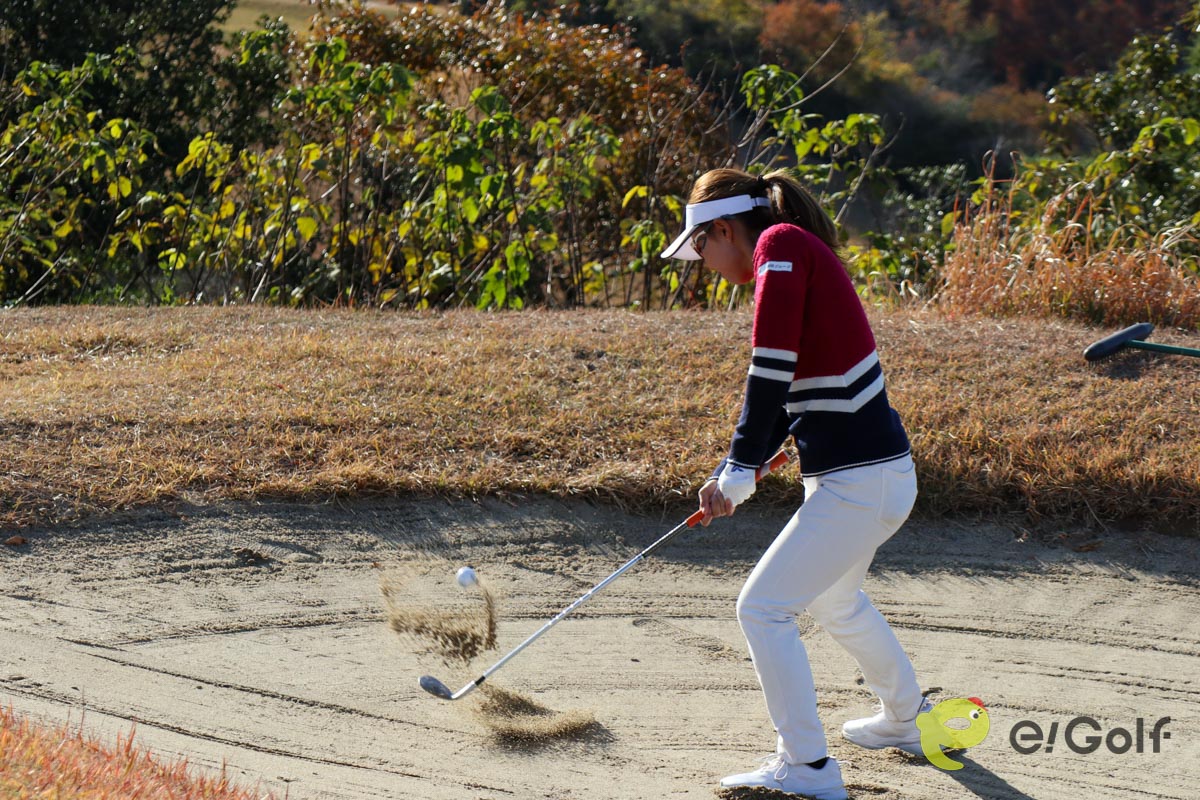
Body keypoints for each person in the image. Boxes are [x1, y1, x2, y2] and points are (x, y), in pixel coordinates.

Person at [661, 168, 927, 800]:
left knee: (761, 608)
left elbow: (770, 368)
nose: (702, 263)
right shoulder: (791, 248)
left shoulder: (777, 246)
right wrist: (744, 468)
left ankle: (806, 768)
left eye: (699, 248)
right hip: (877, 477)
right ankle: (905, 720)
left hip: (858, 486)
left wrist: (737, 464)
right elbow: (794, 389)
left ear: (722, 229)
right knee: (837, 602)